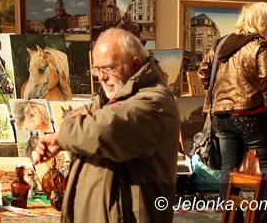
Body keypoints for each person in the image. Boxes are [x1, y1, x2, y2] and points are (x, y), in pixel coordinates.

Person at [35, 28, 179, 222]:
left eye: (109, 68)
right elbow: (75, 120)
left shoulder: (155, 102)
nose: (101, 77)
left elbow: (104, 130)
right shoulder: (110, 98)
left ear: (135, 64)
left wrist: (62, 137)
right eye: (97, 70)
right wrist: (69, 134)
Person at [197, 2, 267, 223]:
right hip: (250, 113)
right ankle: (264, 216)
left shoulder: (222, 43)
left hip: (221, 116)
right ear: (260, 22)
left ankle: (233, 218)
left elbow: (203, 72)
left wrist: (216, 92)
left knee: (228, 168)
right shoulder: (260, 45)